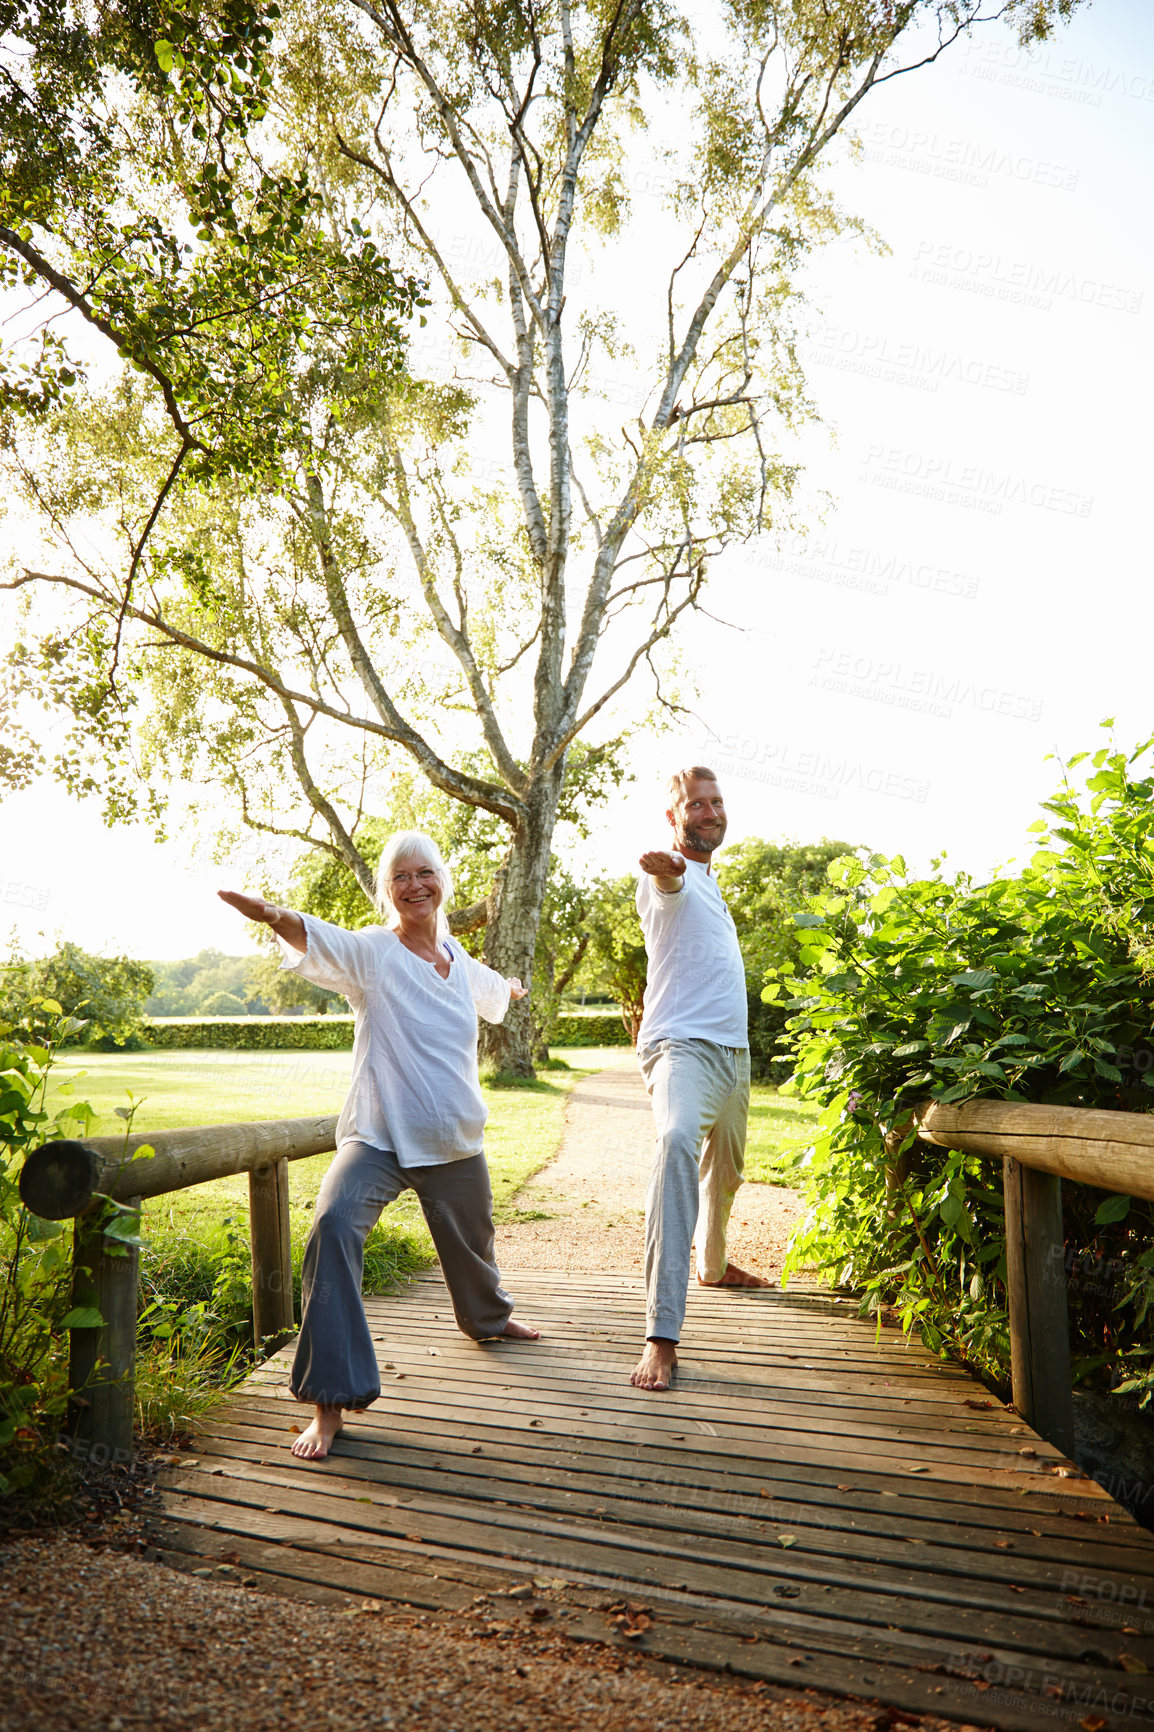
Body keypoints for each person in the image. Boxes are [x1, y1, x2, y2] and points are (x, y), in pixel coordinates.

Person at [218, 830, 539, 1461]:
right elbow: (321, 937)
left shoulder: (456, 957)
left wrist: (512, 990)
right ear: (386, 890)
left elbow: (493, 993)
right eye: (400, 877)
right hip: (379, 1136)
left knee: (473, 1244)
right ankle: (329, 1403)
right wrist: (277, 916)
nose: (414, 885)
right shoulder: (372, 953)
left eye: (425, 873)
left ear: (441, 880)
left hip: (453, 1136)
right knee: (333, 1228)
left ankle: (488, 1319)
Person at [630, 767, 768, 1393]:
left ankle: (711, 1265)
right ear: (673, 817)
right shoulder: (671, 880)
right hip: (681, 1050)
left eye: (716, 802)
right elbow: (667, 885)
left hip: (735, 1058)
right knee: (676, 1145)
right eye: (695, 804)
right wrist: (667, 870)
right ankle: (662, 1334)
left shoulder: (713, 885)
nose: (709, 812)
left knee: (728, 1170)